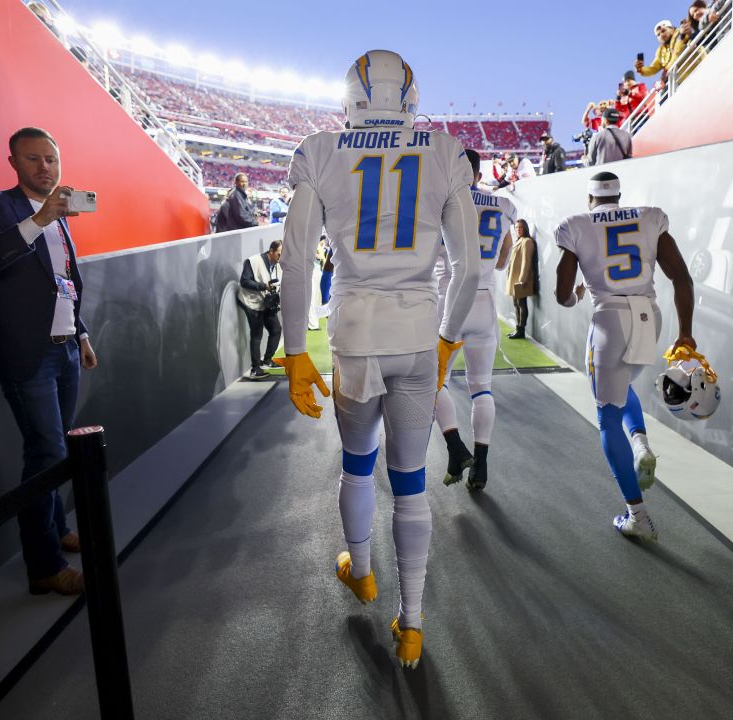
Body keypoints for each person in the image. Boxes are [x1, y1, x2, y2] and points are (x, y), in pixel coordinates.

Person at [276, 49, 480, 669]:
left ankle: (362, 572)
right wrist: (447, 339)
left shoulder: (319, 149)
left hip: (356, 335)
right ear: (412, 96)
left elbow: (293, 261)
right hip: (418, 335)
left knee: (359, 465)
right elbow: (468, 266)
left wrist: (292, 352)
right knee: (412, 482)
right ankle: (412, 624)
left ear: (352, 97)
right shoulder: (445, 150)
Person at [0, 127, 98, 596]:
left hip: (64, 348)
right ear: (14, 162)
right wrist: (38, 220)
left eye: (52, 160)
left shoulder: (59, 213)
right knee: (48, 453)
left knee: (53, 448)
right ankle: (44, 566)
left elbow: (63, 280)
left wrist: (80, 332)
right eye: (34, 159)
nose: (45, 168)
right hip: (26, 354)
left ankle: (56, 530)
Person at [552, 171, 696, 541]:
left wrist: (576, 297)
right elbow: (682, 278)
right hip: (650, 316)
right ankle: (641, 442)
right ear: (619, 195)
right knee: (621, 386)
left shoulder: (577, 225)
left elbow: (561, 292)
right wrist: (685, 333)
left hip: (610, 321)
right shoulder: (649, 217)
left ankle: (638, 516)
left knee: (605, 416)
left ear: (590, 199)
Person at [433, 149, 516, 491]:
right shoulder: (504, 205)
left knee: (434, 381)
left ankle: (455, 447)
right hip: (483, 299)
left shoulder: (440, 202)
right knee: (482, 386)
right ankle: (480, 465)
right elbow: (502, 259)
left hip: (447, 301)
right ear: (480, 174)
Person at [237, 240, 283, 379]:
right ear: (271, 251)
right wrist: (264, 286)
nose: (281, 258)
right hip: (250, 302)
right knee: (257, 334)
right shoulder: (253, 261)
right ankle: (255, 370)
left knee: (276, 329)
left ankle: (267, 360)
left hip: (265, 302)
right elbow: (244, 282)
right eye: (279, 254)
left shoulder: (278, 264)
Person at [635, 19, 686, 99]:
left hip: (691, 68)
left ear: (672, 29)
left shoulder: (680, 32)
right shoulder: (661, 51)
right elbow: (653, 68)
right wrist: (641, 69)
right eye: (658, 35)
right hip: (676, 80)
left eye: (663, 31)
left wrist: (667, 70)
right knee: (663, 98)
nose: (661, 35)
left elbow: (679, 51)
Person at [505, 218, 538, 340]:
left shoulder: (527, 242)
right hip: (514, 278)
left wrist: (522, 279)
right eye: (516, 228)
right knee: (516, 303)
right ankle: (518, 329)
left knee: (521, 303)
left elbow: (526, 261)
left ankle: (521, 330)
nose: (518, 230)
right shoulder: (519, 241)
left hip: (521, 279)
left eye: (520, 227)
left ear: (525, 229)